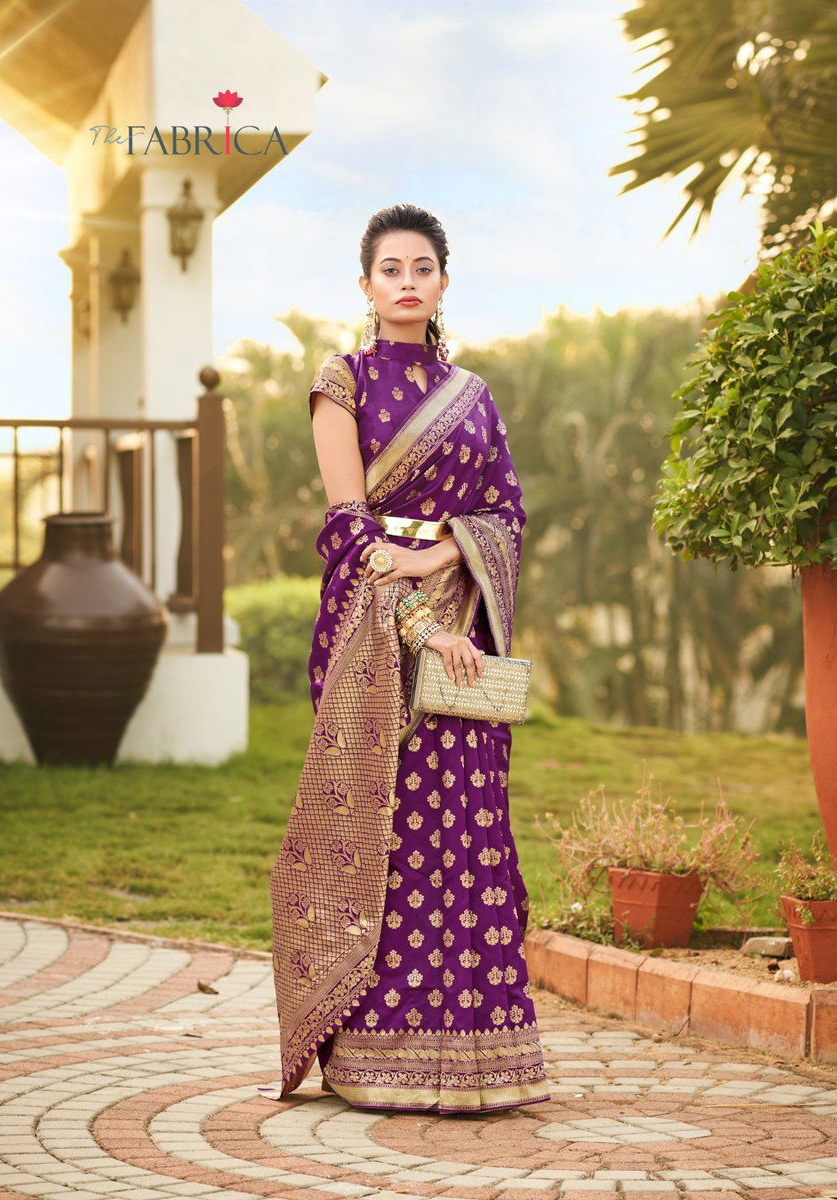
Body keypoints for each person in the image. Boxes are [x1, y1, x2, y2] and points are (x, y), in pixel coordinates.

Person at [262, 203, 550, 1114]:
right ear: (366, 285)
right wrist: (421, 623)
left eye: (422, 267)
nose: (407, 282)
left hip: (462, 612)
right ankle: (371, 1057)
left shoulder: (472, 393)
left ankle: (478, 1061)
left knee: (465, 825)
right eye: (390, 269)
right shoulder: (340, 381)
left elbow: (505, 512)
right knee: (390, 835)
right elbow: (349, 523)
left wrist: (438, 560)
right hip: (373, 628)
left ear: (442, 283)